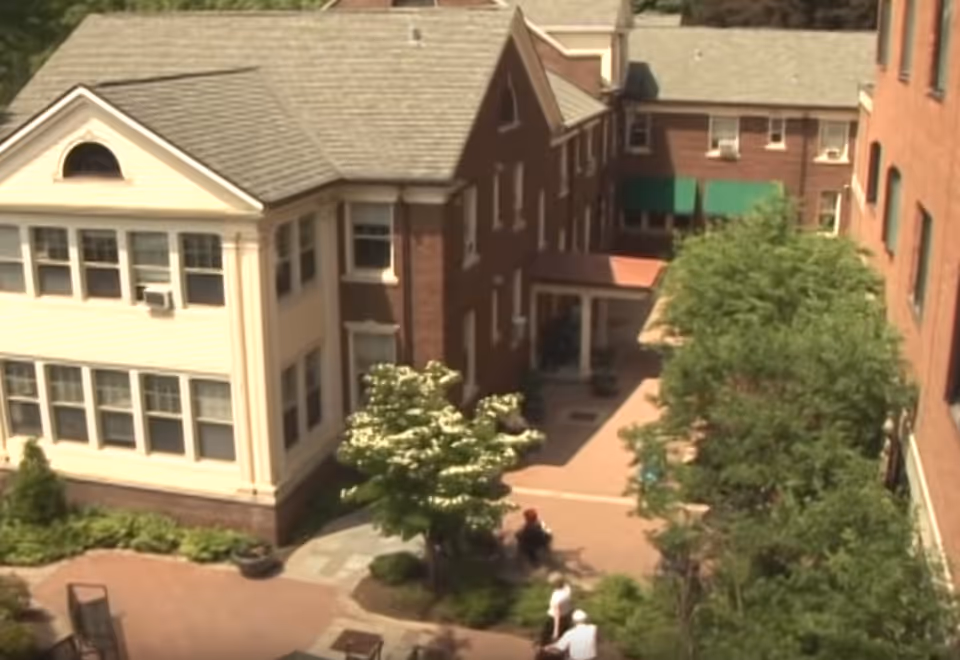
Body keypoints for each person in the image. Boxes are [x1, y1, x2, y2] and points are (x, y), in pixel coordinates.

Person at [538, 572, 573, 646]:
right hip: (566, 616)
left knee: (545, 636)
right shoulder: (567, 588)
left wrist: (555, 631)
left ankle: (543, 650)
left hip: (553, 618)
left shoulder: (557, 597)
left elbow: (557, 615)